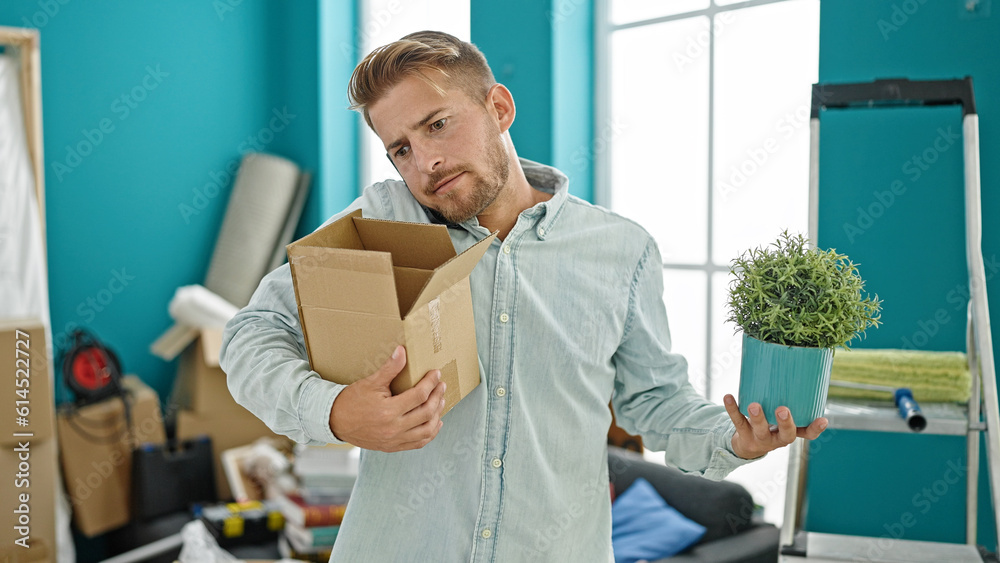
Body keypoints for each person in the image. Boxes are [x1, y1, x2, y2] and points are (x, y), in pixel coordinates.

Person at [220, 30, 828, 561]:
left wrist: (734, 438)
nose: (425, 161)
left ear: (499, 106)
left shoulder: (622, 251)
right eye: (401, 148)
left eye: (437, 124)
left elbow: (656, 405)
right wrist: (334, 411)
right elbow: (251, 335)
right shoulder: (385, 219)